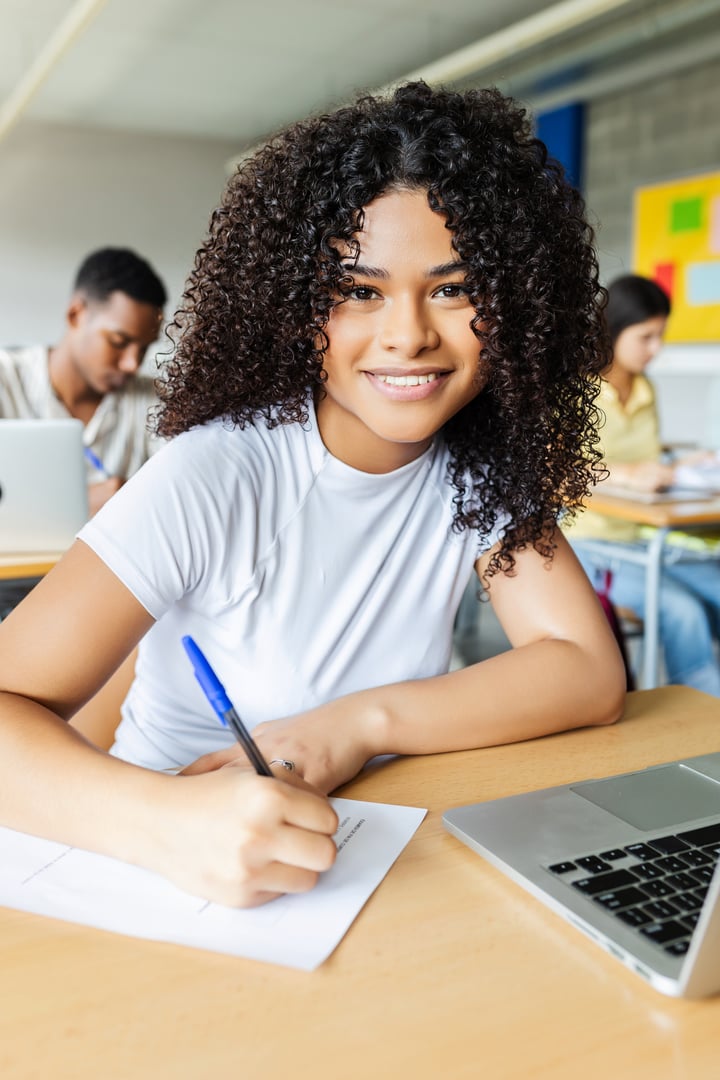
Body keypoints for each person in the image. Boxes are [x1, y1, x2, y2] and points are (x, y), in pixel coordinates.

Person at [0, 82, 625, 909]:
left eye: (453, 288)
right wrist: (165, 824)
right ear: (294, 307)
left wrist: (354, 726)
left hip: (367, 857)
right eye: (361, 291)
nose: (408, 334)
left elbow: (586, 669)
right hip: (174, 882)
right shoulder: (218, 471)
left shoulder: (478, 468)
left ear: (513, 303)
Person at [566, 273, 720, 696]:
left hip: (647, 537)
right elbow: (554, 472)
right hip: (590, 544)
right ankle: (703, 718)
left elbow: (647, 459)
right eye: (647, 337)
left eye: (661, 336)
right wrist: (626, 474)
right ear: (614, 330)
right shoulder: (576, 389)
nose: (657, 349)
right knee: (683, 611)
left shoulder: (646, 388)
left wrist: (676, 465)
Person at [0, 246, 167, 516]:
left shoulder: (155, 400)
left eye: (144, 348)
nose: (132, 364)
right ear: (75, 315)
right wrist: (73, 507)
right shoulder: (6, 379)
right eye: (119, 342)